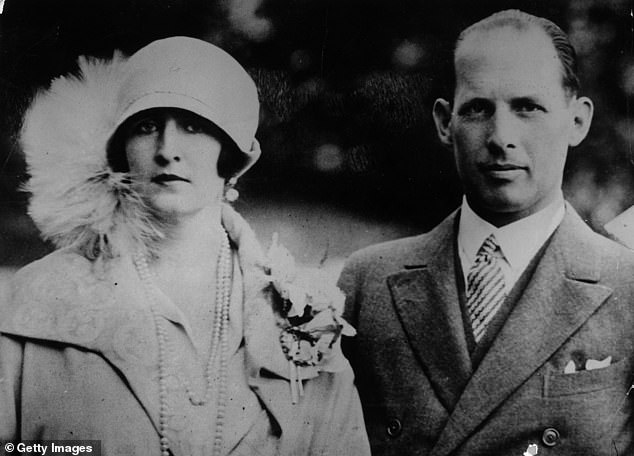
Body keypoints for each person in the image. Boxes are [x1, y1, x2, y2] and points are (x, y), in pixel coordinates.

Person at [0, 36, 370, 456]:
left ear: (231, 155)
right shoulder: (34, 301)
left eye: (193, 126)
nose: (167, 150)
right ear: (120, 150)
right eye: (146, 126)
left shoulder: (302, 317)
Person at [338, 9, 634, 456]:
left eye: (528, 108)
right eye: (478, 109)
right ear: (444, 122)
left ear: (577, 121)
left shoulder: (628, 286)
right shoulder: (369, 282)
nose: (501, 136)